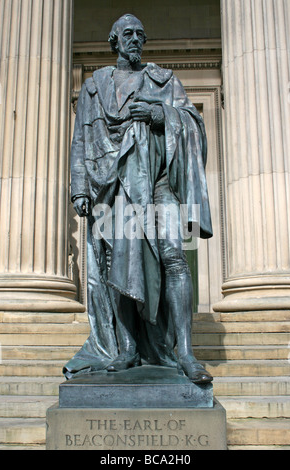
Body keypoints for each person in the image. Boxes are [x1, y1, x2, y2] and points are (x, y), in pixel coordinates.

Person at [64, 14, 213, 384]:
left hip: (158, 182)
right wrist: (80, 188)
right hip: (110, 184)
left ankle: (184, 351)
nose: (135, 40)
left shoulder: (162, 81)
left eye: (139, 35)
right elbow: (80, 140)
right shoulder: (94, 86)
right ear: (113, 41)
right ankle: (127, 348)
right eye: (127, 34)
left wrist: (159, 113)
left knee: (174, 255)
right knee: (118, 263)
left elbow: (193, 123)